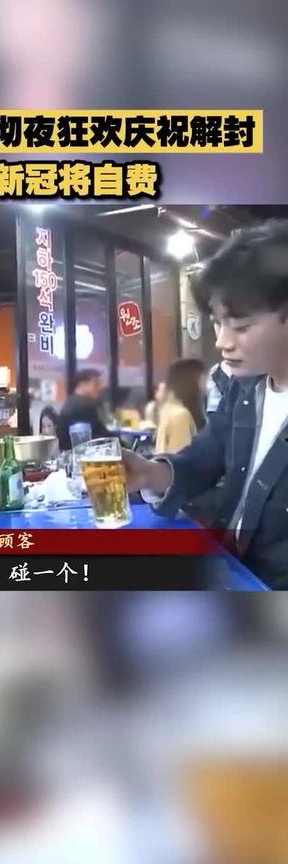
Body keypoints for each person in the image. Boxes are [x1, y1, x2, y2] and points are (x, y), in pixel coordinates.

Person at [120, 220, 288, 590]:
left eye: (240, 327)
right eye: (217, 323)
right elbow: (206, 455)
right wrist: (150, 473)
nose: (222, 342)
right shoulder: (243, 390)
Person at [155, 358, 206, 453]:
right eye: (202, 379)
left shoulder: (169, 409)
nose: (205, 385)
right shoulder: (180, 415)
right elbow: (181, 456)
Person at [57, 368, 113, 451]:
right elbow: (102, 437)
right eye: (96, 384)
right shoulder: (84, 406)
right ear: (82, 385)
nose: (99, 388)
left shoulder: (71, 402)